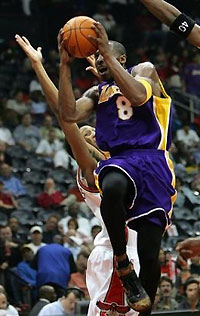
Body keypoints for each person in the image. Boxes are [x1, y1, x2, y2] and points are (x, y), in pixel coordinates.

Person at [15, 34, 140, 316]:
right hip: (115, 258)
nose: (93, 131)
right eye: (87, 135)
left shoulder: (123, 161)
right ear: (83, 147)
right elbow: (66, 116)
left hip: (125, 255)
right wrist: (41, 66)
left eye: (93, 129)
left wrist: (107, 81)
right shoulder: (93, 171)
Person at [58, 21, 176, 315]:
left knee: (150, 256)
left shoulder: (145, 70)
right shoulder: (98, 94)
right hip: (121, 159)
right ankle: (122, 262)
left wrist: (106, 57)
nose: (98, 58)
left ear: (120, 59)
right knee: (110, 182)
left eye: (104, 53)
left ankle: (144, 306)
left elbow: (137, 96)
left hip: (152, 161)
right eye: (95, 55)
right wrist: (63, 65)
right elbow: (68, 113)